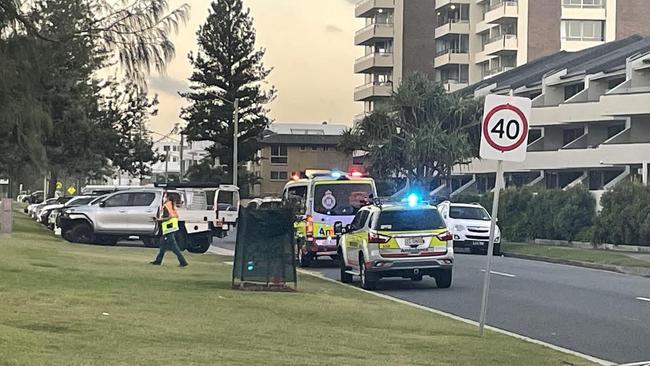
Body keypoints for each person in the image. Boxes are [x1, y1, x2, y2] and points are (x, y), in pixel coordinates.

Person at [150, 191, 188, 267]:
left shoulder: (167, 205)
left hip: (168, 228)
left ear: (166, 197)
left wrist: (157, 220)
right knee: (163, 245)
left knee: (174, 247)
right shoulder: (172, 204)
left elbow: (167, 218)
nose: (163, 198)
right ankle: (158, 261)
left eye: (164, 196)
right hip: (172, 227)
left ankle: (183, 262)